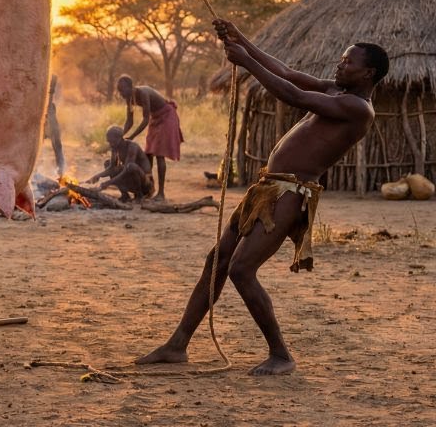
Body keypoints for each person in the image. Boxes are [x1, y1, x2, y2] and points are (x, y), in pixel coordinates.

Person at [137, 19, 387, 376]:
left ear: (368, 73)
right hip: (268, 188)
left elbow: (293, 95)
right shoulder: (336, 91)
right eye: (342, 59)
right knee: (217, 260)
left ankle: (281, 355)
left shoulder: (358, 109)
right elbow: (285, 71)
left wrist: (246, 62)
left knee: (241, 269)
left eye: (349, 62)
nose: (340, 64)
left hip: (290, 193)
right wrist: (242, 40)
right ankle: (177, 345)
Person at [118, 75, 183, 200]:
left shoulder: (142, 93)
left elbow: (145, 120)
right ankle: (149, 188)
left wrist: (131, 136)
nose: (120, 94)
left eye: (122, 90)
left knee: (159, 153)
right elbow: (129, 121)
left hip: (167, 116)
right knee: (148, 153)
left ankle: (161, 193)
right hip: (156, 118)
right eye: (119, 90)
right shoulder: (129, 98)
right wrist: (121, 135)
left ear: (130, 87)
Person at [84, 126, 152, 201]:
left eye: (112, 141)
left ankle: (139, 196)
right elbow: (111, 168)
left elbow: (127, 170)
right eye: (109, 142)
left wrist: (108, 183)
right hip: (132, 179)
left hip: (146, 184)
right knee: (107, 163)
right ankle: (125, 195)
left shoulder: (132, 146)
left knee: (131, 166)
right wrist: (98, 176)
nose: (111, 144)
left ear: (120, 138)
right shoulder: (115, 147)